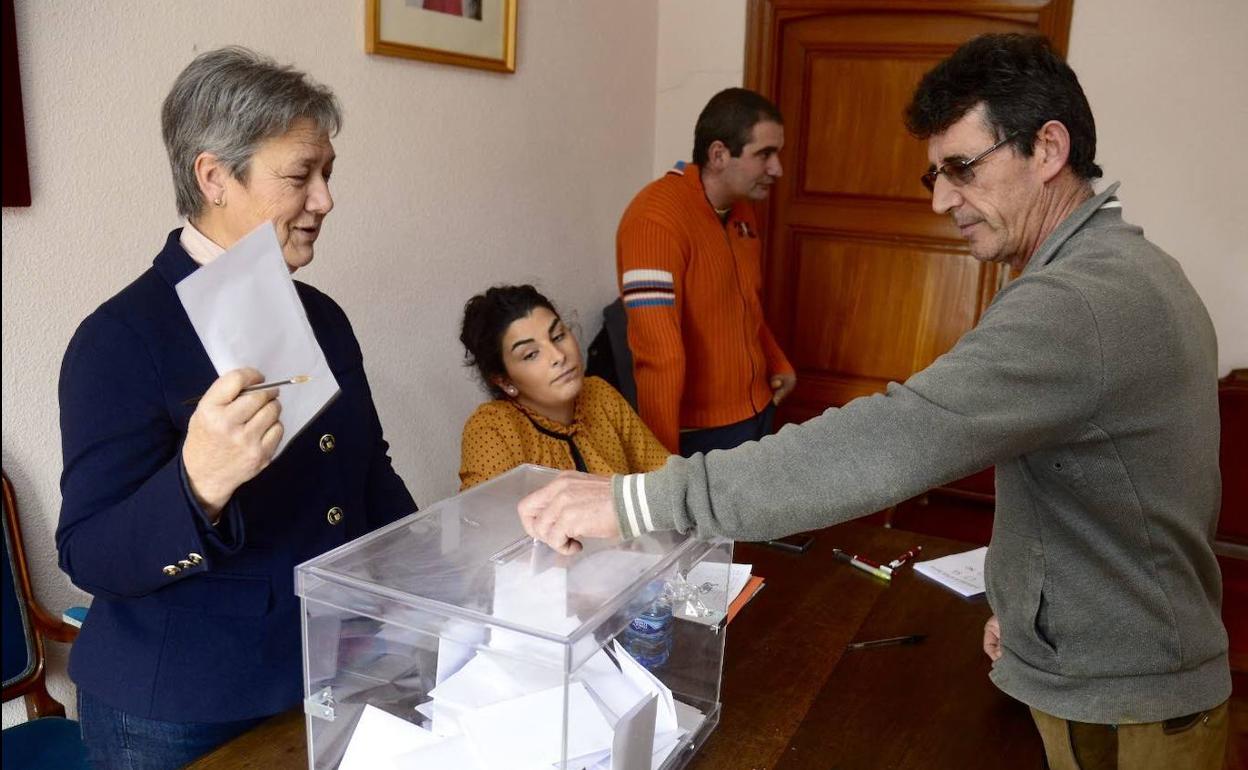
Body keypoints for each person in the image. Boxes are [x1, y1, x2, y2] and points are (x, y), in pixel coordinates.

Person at [519, 34, 1229, 768]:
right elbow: (1113, 493)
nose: (940, 198)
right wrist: (1027, 610)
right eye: (936, 172)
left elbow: (895, 438)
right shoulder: (1129, 266)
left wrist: (636, 501)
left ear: (1048, 149)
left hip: (1124, 703)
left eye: (961, 167)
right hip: (1118, 668)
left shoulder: (1076, 301)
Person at [55, 46, 416, 768]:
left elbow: (366, 472)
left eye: (327, 174)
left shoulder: (324, 316)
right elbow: (87, 553)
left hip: (327, 670)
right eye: (300, 176)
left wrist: (433, 581)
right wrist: (198, 487)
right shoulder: (119, 339)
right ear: (214, 176)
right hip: (179, 710)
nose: (325, 200)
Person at [616, 87, 796, 456]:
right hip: (701, 436)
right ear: (718, 154)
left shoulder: (742, 210)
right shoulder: (655, 220)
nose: (777, 168)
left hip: (759, 410)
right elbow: (658, 356)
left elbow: (746, 305)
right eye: (765, 154)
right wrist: (661, 467)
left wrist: (777, 360)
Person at [458, 285, 669, 490]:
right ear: (505, 381)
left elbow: (667, 478)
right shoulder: (493, 430)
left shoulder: (599, 393)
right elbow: (485, 522)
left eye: (558, 336)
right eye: (531, 354)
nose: (559, 356)